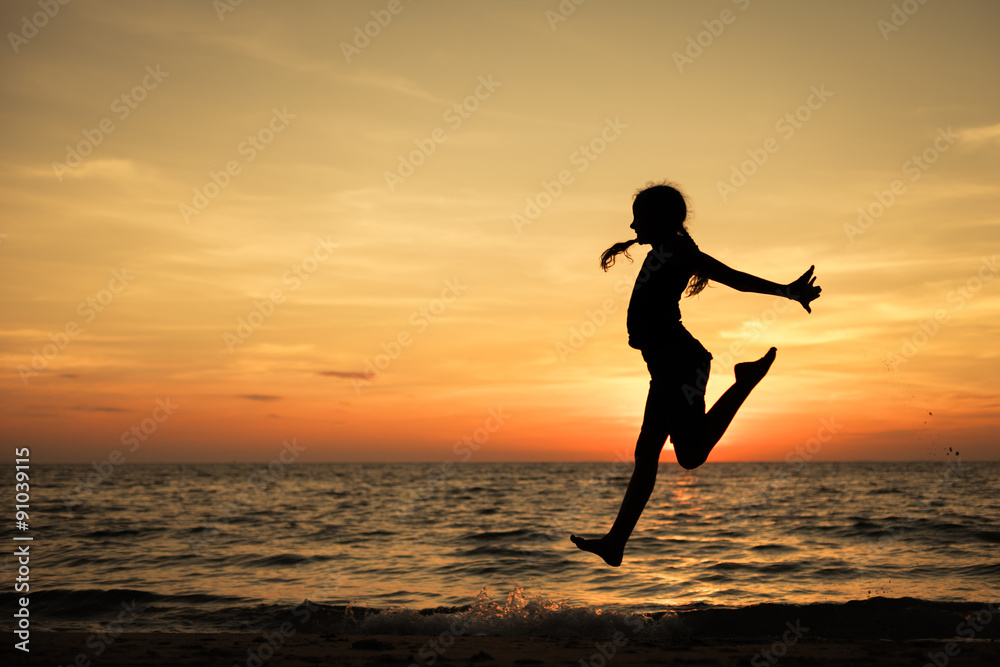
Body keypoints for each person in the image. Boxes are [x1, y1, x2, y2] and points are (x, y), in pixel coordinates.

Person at [570, 182, 821, 567]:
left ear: (662, 219)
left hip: (680, 363)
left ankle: (744, 383)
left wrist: (787, 291)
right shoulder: (660, 252)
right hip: (665, 365)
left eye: (639, 217)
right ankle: (615, 542)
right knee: (646, 455)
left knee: (689, 456)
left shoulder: (679, 252)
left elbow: (733, 277)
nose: (633, 225)